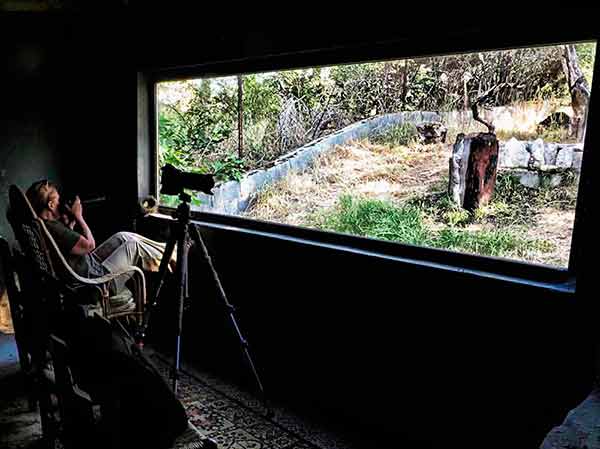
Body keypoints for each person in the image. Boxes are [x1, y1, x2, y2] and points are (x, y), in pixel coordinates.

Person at [25, 179, 175, 295]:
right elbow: (90, 245)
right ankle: (171, 255)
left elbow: (69, 249)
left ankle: (167, 251)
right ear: (51, 205)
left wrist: (70, 225)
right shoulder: (54, 228)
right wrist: (79, 216)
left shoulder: (44, 225)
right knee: (132, 245)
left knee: (122, 236)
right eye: (57, 201)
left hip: (87, 266)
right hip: (96, 281)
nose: (60, 203)